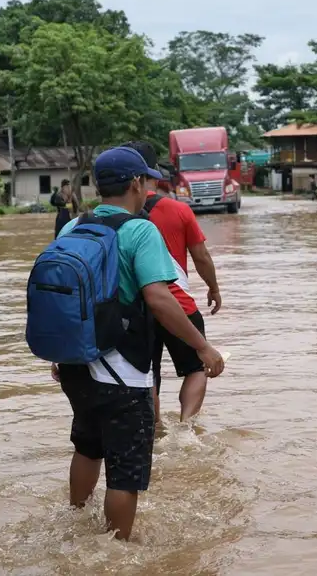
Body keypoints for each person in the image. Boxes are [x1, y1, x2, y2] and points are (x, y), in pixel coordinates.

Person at [52, 145, 225, 541]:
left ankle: (75, 520)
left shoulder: (71, 227)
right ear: (136, 183)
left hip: (76, 365)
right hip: (123, 372)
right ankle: (118, 553)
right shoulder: (138, 229)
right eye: (146, 179)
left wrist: (62, 353)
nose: (148, 186)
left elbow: (62, 295)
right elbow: (160, 298)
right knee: (125, 471)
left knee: (87, 445)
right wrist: (202, 346)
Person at [122, 141, 221, 423]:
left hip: (138, 308)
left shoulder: (112, 213)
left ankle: (154, 430)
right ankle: (185, 427)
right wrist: (213, 287)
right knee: (196, 368)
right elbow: (201, 256)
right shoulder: (178, 210)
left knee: (146, 374)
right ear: (152, 171)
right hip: (179, 304)